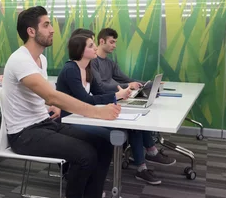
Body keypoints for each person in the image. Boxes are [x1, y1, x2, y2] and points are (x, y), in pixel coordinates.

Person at [3, 5, 124, 198]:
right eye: (46, 25)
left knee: (105, 142)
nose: (52, 30)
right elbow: (51, 94)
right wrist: (96, 112)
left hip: (44, 124)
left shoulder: (40, 60)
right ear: (31, 31)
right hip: (24, 134)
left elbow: (46, 96)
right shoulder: (20, 60)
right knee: (85, 154)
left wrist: (52, 105)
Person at [57, 34, 170, 184]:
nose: (95, 47)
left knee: (133, 127)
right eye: (91, 45)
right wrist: (116, 96)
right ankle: (88, 180)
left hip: (86, 115)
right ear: (80, 50)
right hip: (70, 119)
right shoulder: (70, 69)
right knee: (108, 136)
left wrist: (121, 95)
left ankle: (141, 168)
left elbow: (99, 92)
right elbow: (85, 100)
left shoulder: (88, 68)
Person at [90, 27, 176, 182]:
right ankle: (146, 159)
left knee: (140, 118)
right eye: (112, 42)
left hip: (118, 97)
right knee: (135, 125)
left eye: (115, 42)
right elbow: (99, 87)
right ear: (101, 41)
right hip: (105, 102)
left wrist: (146, 84)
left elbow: (127, 79)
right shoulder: (93, 63)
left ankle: (150, 153)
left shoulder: (110, 63)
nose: (114, 45)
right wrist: (126, 87)